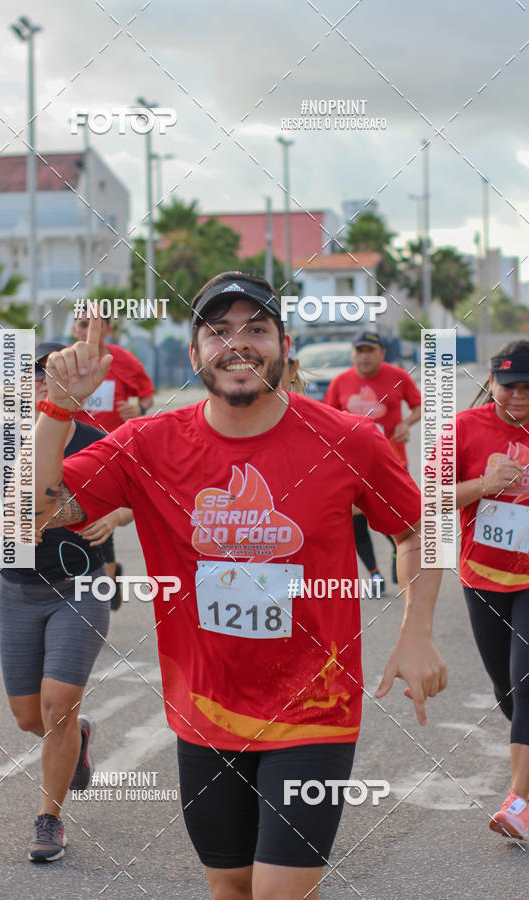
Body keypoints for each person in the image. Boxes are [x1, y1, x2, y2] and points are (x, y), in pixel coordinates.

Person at [34, 272, 446, 899]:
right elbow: (32, 511)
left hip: (316, 710)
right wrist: (59, 409)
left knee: (280, 890)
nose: (238, 343)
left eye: (256, 328)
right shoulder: (148, 445)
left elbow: (419, 528)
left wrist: (417, 630)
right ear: (194, 353)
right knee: (230, 884)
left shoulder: (349, 440)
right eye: (218, 330)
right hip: (205, 711)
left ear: (284, 345)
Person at [0, 342, 120, 863]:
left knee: (57, 706)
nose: (40, 385)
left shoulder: (96, 440)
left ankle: (49, 818)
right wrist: (4, 525)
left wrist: (113, 517)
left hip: (80, 587)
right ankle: (78, 737)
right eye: (32, 377)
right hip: (18, 592)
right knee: (29, 716)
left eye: (49, 376)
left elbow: (133, 501)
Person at [455, 341, 529, 841]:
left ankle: (518, 802)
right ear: (491, 382)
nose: (518, 396)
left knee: (526, 685)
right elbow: (429, 497)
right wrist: (484, 484)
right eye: (509, 386)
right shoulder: (464, 428)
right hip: (482, 575)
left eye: (528, 387)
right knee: (507, 691)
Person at [324, 330, 422, 591]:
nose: (364, 356)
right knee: (356, 521)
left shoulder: (398, 376)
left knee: (398, 518)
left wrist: (405, 423)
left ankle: (399, 551)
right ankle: (374, 574)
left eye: (370, 350)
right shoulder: (340, 382)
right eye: (360, 350)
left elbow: (419, 406)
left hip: (392, 461)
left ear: (382, 353)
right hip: (351, 466)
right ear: (353, 354)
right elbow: (328, 418)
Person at [72, 309, 153, 604]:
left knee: (102, 517)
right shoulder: (65, 360)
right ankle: (106, 572)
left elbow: (146, 395)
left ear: (108, 329)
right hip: (72, 453)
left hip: (110, 453)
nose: (87, 330)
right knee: (77, 520)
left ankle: (105, 576)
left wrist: (139, 409)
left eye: (94, 324)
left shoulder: (124, 361)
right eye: (82, 324)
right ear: (74, 328)